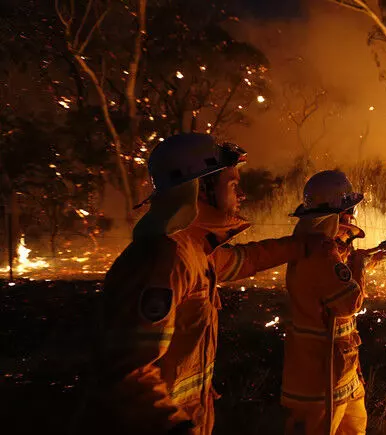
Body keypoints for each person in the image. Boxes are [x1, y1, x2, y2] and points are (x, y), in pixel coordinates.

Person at [90, 133, 334, 435]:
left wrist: (303, 245)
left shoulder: (193, 250)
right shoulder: (165, 260)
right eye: (232, 185)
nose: (241, 195)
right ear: (199, 189)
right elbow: (128, 372)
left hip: (189, 417)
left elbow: (245, 259)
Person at [281, 170, 386, 435]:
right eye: (350, 209)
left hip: (343, 372)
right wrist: (361, 263)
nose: (353, 216)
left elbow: (351, 266)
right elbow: (350, 302)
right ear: (340, 214)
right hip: (320, 379)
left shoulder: (330, 247)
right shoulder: (319, 254)